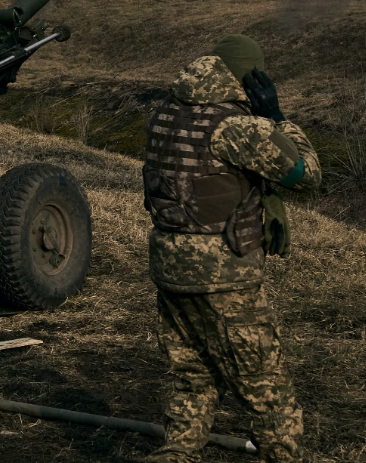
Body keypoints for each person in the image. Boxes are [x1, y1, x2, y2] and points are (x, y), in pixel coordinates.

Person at [142, 34, 321, 463]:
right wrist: (276, 117)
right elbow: (307, 173)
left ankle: (178, 453)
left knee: (191, 373)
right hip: (224, 272)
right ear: (248, 77)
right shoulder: (237, 127)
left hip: (170, 263)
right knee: (263, 381)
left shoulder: (163, 112)